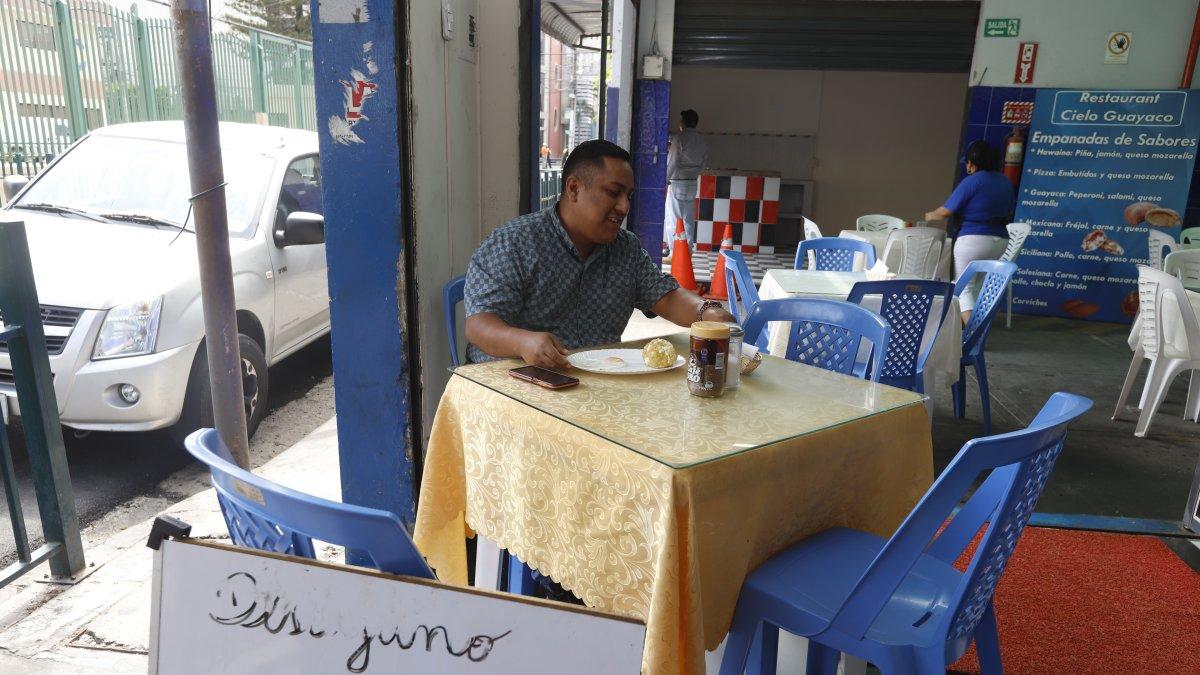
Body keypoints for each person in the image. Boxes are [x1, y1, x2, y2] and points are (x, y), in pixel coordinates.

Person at [465, 139, 734, 368]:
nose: (624, 206)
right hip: (510, 385)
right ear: (573, 189)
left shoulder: (625, 249)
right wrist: (522, 341)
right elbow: (479, 325)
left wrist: (708, 312)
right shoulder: (515, 243)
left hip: (593, 383)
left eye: (628, 195)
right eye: (613, 193)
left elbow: (668, 297)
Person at [924, 140, 1014, 324]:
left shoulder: (973, 181)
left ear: (973, 161)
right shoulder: (1004, 181)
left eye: (968, 161)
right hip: (1000, 240)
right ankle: (968, 326)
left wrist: (929, 215)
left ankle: (973, 333)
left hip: (974, 239)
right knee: (977, 286)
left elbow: (946, 211)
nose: (967, 165)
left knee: (964, 287)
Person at [665, 109, 708, 247]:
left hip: (678, 183)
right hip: (692, 183)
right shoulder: (701, 141)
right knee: (688, 220)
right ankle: (688, 250)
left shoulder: (679, 138)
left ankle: (674, 251)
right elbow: (704, 164)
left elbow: (673, 161)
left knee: (674, 219)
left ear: (683, 122)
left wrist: (665, 180)